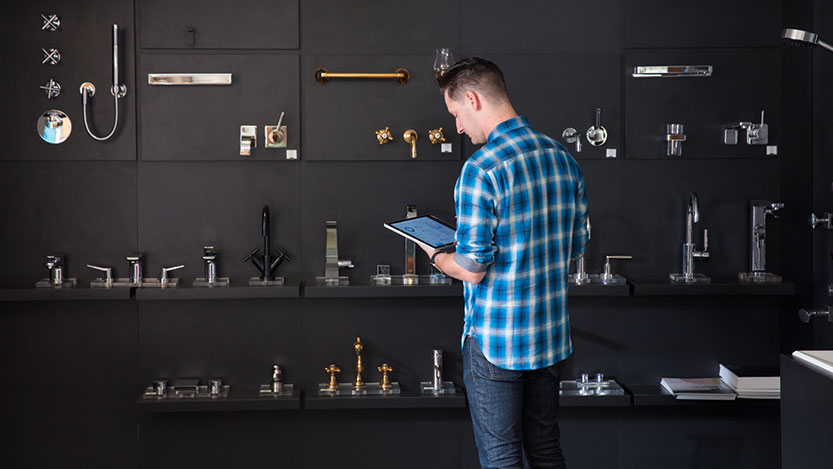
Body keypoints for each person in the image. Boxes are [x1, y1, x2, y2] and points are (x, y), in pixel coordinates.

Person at [421, 57, 588, 468]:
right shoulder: (561, 157)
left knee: (501, 456)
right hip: (550, 339)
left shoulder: (481, 168)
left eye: (456, 113)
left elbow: (474, 268)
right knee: (546, 449)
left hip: (496, 343)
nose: (458, 127)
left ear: (473, 99)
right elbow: (576, 247)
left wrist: (439, 256)